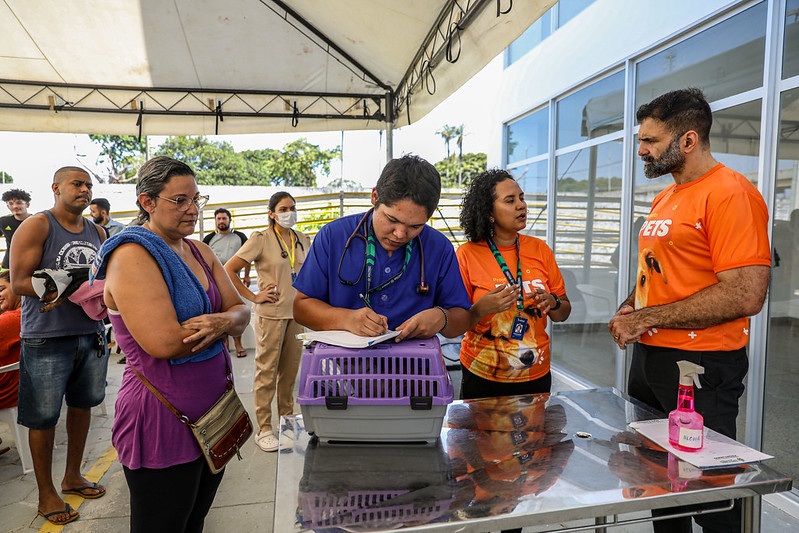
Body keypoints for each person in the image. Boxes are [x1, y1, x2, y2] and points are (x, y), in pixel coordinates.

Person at [607, 88, 771, 533]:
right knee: (661, 482)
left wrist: (647, 317)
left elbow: (745, 295)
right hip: (652, 361)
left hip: (700, 367)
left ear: (688, 140)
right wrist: (630, 308)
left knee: (710, 492)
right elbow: (657, 273)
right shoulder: (667, 196)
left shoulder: (730, 193)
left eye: (651, 140)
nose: (641, 149)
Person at [93, 156, 250, 532]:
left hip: (213, 415)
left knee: (194, 520)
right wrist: (224, 325)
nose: (193, 210)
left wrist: (222, 321)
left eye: (197, 199)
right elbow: (164, 342)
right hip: (162, 419)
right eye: (180, 201)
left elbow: (241, 312)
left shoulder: (199, 250)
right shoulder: (132, 255)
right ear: (147, 202)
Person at [10, 167, 108, 525]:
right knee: (44, 417)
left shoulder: (97, 231)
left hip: (91, 332)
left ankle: (72, 475)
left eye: (88, 185)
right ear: (56, 188)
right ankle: (46, 492)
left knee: (83, 406)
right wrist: (69, 282)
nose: (85, 190)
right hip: (46, 336)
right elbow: (19, 281)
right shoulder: (38, 225)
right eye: (77, 184)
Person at [293, 154, 471, 341]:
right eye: (392, 220)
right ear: (375, 196)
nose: (400, 234)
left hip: (415, 366)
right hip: (345, 364)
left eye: (415, 226)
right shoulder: (334, 236)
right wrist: (345, 319)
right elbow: (301, 309)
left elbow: (461, 319)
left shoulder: (438, 248)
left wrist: (442, 318)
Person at [457, 171, 571, 397]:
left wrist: (554, 302)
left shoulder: (540, 250)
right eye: (510, 201)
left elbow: (563, 312)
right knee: (481, 433)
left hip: (536, 372)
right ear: (489, 212)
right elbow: (455, 325)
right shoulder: (467, 254)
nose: (522, 205)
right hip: (483, 374)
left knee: (533, 432)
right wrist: (481, 309)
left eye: (522, 198)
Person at [224, 192, 310, 452]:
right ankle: (264, 427)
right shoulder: (260, 239)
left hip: (297, 315)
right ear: (271, 213)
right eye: (283, 208)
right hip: (271, 314)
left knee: (290, 372)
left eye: (292, 208)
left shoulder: (303, 239)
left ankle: (287, 419)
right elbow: (229, 269)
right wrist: (253, 296)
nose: (289, 213)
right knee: (267, 371)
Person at [204, 208, 250, 357]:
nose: (221, 221)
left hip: (234, 282)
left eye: (224, 218)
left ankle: (238, 345)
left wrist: (247, 277)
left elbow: (248, 258)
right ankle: (225, 345)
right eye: (218, 219)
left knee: (235, 313)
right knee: (220, 313)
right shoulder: (209, 239)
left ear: (229, 220)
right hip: (215, 283)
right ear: (215, 221)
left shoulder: (240, 237)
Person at [0, 269, 21, 457]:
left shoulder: (9, 319)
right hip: (20, 386)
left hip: (7, 391)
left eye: (1, 289)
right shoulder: (28, 314)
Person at [1, 188, 32, 269]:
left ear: (27, 204)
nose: (15, 206)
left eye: (19, 203)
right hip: (8, 266)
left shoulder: (37, 221)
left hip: (33, 267)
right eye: (10, 204)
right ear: (8, 206)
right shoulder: (3, 222)